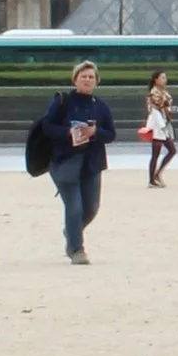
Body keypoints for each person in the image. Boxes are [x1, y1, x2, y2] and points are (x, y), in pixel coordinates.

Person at [37, 58, 114, 264]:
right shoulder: (62, 102)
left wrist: (95, 132)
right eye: (83, 76)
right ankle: (76, 249)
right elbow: (47, 127)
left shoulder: (102, 107)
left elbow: (111, 134)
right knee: (74, 207)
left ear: (97, 81)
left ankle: (71, 231)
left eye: (91, 77)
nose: (87, 80)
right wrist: (69, 133)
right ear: (75, 80)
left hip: (92, 162)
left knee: (91, 208)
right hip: (65, 161)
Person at [142, 66, 176, 189]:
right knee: (157, 153)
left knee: (170, 150)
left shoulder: (162, 93)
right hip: (157, 126)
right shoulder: (154, 93)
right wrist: (162, 125)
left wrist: (170, 110)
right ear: (156, 80)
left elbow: (164, 108)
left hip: (163, 124)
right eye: (162, 77)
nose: (165, 80)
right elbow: (155, 111)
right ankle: (153, 178)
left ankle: (156, 175)